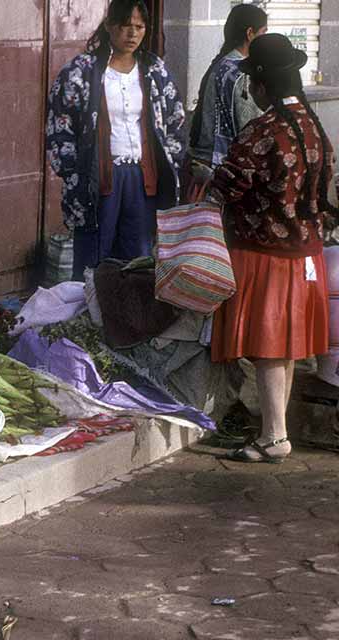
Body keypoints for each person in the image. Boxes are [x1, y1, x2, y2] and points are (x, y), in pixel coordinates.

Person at [210, 33, 338, 463]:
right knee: (285, 346)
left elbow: (228, 184)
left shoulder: (265, 129)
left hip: (265, 253)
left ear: (262, 85)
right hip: (307, 253)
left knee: (267, 345)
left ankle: (274, 436)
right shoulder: (313, 125)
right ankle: (275, 432)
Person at [46, 0, 185, 280]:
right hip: (98, 179)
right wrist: (75, 171)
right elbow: (59, 126)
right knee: (94, 258)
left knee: (138, 258)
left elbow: (175, 119)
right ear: (109, 26)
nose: (132, 34)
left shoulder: (154, 70)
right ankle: (89, 319)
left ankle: (128, 321)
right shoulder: (81, 71)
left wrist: (172, 159)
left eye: (139, 27)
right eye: (124, 26)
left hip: (142, 177)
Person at [183, 4, 269, 202]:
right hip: (219, 172)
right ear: (250, 33)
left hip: (204, 164)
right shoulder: (240, 74)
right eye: (264, 32)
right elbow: (250, 128)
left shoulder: (222, 65)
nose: (265, 37)